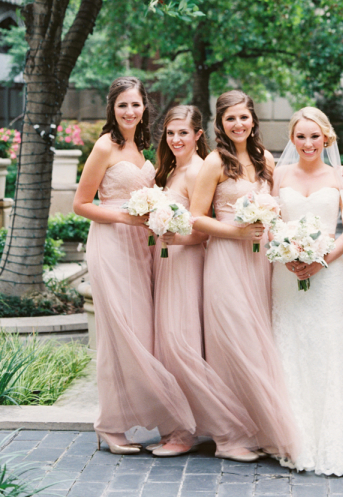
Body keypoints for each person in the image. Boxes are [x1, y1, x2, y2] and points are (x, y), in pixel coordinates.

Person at [73, 77, 194, 454]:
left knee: (140, 332)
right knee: (120, 334)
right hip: (111, 244)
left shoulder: (141, 149)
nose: (129, 111)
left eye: (135, 104)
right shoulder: (104, 146)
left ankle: (135, 419)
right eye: (122, 105)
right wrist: (127, 217)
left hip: (141, 248)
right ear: (112, 108)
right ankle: (111, 426)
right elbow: (81, 204)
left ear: (145, 108)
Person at [190, 90, 296, 461]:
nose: (238, 124)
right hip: (226, 260)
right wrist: (235, 231)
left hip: (259, 261)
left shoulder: (265, 158)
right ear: (220, 124)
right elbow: (196, 217)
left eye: (243, 117)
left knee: (258, 341)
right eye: (230, 118)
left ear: (253, 120)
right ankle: (228, 437)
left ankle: (257, 428)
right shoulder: (215, 161)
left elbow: (279, 209)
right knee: (232, 342)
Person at [150, 105, 256, 459]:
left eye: (183, 132)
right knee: (171, 347)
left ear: (198, 135)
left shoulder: (198, 169)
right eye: (170, 133)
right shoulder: (170, 171)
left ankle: (219, 433)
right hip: (168, 264)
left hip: (187, 264)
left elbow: (201, 229)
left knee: (183, 347)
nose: (176, 139)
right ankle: (182, 428)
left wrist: (175, 237)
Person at [271, 107, 343, 477]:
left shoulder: (342, 177)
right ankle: (296, 438)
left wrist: (322, 259)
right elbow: (270, 220)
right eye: (301, 136)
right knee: (291, 345)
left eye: (315, 136)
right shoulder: (279, 175)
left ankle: (331, 439)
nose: (308, 143)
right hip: (287, 273)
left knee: (328, 345)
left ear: (327, 138)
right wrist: (286, 253)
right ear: (292, 139)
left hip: (329, 274)